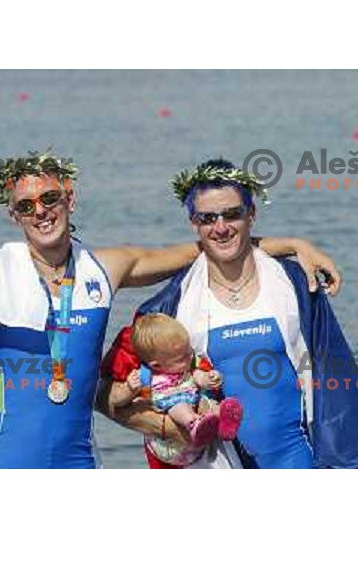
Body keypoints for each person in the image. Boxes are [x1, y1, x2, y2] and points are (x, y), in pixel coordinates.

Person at [0, 150, 341, 468]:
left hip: (79, 463)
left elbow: (213, 244)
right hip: (6, 461)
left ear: (69, 197)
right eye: (26, 206)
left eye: (49, 198)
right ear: (13, 214)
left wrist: (295, 244)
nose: (40, 212)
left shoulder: (106, 268)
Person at [99, 158, 358, 469]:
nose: (220, 228)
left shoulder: (297, 285)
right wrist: (167, 426)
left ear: (251, 214)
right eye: (207, 218)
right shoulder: (168, 307)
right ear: (194, 224)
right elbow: (102, 395)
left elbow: (338, 379)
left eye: (232, 214)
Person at [109, 312, 243, 467]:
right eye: (181, 358)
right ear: (156, 365)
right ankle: (194, 423)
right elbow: (117, 403)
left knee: (206, 402)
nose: (189, 358)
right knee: (179, 405)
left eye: (189, 351)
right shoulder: (146, 376)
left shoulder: (187, 364)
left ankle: (222, 419)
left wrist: (210, 379)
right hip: (169, 447)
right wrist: (129, 388)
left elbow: (198, 377)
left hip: (196, 445)